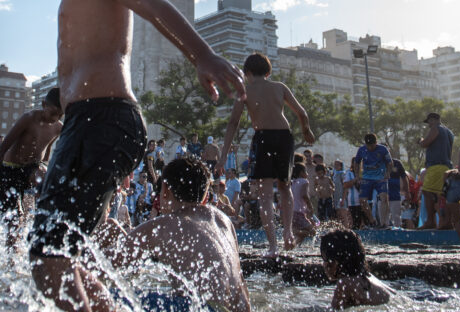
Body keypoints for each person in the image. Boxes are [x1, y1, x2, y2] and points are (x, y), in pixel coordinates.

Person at [30, 0, 246, 312]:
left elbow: (154, 4)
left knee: (47, 258)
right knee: (61, 254)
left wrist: (202, 55)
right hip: (91, 123)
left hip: (102, 117)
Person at [98, 157, 251, 312]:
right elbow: (240, 285)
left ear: (165, 190)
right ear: (205, 196)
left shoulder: (165, 224)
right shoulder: (224, 221)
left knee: (99, 293)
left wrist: (100, 238)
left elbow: (105, 265)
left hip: (201, 309)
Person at [221, 53, 314, 254]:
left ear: (247, 73)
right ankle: (288, 234)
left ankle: (273, 245)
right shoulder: (280, 87)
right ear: (268, 72)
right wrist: (306, 130)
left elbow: (233, 124)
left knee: (264, 194)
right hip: (284, 136)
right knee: (284, 186)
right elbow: (302, 113)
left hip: (263, 137)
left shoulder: (244, 90)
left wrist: (222, 156)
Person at [0, 88, 63, 248]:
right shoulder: (28, 119)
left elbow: (48, 147)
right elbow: (1, 149)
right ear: (43, 105)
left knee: (43, 175)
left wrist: (45, 163)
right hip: (10, 169)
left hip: (32, 168)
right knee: (14, 220)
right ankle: (11, 257)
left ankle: (45, 222)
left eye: (60, 115)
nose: (55, 118)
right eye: (53, 113)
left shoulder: (58, 127)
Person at [320, 228, 392, 308]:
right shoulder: (369, 278)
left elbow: (334, 310)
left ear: (336, 260)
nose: (324, 264)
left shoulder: (345, 283)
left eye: (325, 259)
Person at [418, 112, 454, 230]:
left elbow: (425, 143)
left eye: (429, 121)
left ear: (433, 120)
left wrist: (420, 141)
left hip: (436, 166)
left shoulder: (436, 128)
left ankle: (430, 221)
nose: (428, 124)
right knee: (441, 195)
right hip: (446, 166)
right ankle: (446, 222)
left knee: (427, 192)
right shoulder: (449, 132)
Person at [353, 134, 392, 227]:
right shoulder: (362, 150)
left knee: (384, 198)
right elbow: (356, 162)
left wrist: (388, 173)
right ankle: (372, 220)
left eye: (372, 145)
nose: (370, 148)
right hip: (367, 178)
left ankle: (383, 223)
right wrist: (357, 176)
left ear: (376, 143)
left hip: (380, 178)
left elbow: (390, 163)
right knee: (362, 200)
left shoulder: (382, 149)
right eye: (368, 145)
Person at [290, 163, 316, 246]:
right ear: (301, 172)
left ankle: (292, 246)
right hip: (299, 212)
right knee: (313, 231)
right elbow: (304, 195)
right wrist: (310, 206)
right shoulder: (304, 181)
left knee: (300, 236)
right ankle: (293, 231)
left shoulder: (293, 182)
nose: (307, 174)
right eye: (306, 171)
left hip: (292, 212)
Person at [386, 155, 408, 228]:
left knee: (396, 218)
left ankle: (398, 231)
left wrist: (407, 192)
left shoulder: (397, 163)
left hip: (395, 195)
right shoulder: (377, 163)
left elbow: (404, 177)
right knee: (382, 219)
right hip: (381, 195)